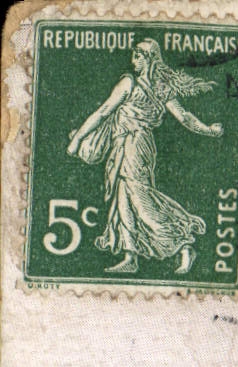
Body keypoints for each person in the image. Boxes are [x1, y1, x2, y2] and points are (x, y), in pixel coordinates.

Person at [65, 39, 223, 275]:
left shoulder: (132, 84)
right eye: (134, 55)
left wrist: (78, 139)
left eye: (138, 56)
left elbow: (104, 111)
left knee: (140, 199)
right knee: (124, 198)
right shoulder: (160, 88)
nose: (133, 60)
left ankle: (184, 244)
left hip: (134, 145)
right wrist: (208, 129)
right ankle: (130, 256)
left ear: (150, 58)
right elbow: (185, 117)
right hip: (128, 145)